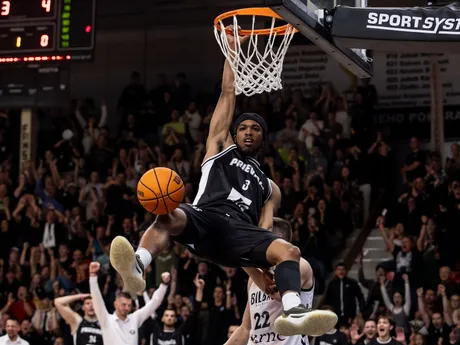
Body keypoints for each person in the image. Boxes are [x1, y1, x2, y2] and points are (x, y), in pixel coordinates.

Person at [109, 30, 337, 337]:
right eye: (242, 127)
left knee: (290, 251)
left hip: (239, 236)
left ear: (262, 139)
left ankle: (294, 311)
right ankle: (138, 263)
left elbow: (263, 233)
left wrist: (259, 273)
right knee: (169, 213)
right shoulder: (220, 147)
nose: (246, 132)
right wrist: (231, 53)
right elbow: (228, 92)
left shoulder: (270, 187)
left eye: (254, 129)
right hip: (207, 217)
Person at [224, 217, 315, 345]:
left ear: (279, 239)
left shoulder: (300, 265)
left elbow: (279, 295)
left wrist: (243, 262)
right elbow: (246, 329)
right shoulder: (254, 278)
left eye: (260, 239)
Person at [88, 261, 170, 345]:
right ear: (115, 304)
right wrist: (93, 276)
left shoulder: (134, 318)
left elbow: (153, 304)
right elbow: (97, 299)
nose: (127, 308)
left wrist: (164, 285)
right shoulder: (106, 319)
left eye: (129, 305)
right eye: (123, 304)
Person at [151, 274, 204, 345]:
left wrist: (199, 289)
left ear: (175, 319)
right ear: (162, 318)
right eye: (167, 315)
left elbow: (195, 312)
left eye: (172, 316)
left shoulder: (180, 332)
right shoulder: (156, 331)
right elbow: (149, 308)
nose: (169, 318)